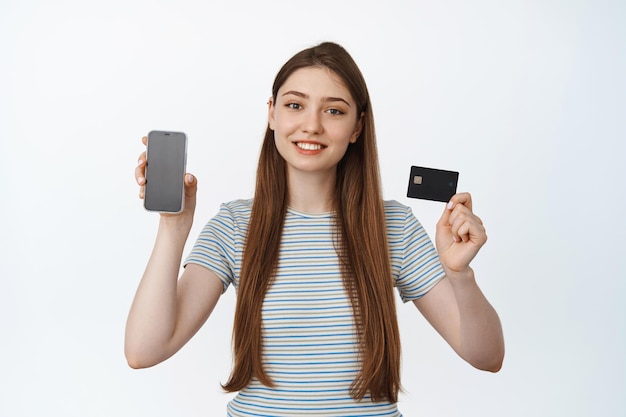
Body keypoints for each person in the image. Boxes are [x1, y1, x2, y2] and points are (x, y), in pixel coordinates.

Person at [125, 41, 504, 416]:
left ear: (358, 126)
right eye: (295, 105)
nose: (311, 125)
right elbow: (144, 351)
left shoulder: (394, 226)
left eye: (334, 111)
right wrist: (173, 228)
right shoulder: (235, 225)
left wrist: (460, 275)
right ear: (272, 113)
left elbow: (487, 357)